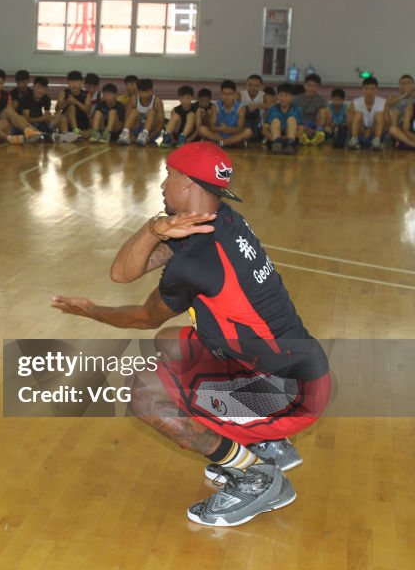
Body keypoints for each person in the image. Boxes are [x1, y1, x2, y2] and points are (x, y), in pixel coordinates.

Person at [51, 141, 331, 527]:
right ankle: (263, 441)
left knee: (147, 396)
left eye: (168, 175)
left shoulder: (196, 262)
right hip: (292, 366)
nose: (163, 185)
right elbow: (127, 271)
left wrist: (92, 312)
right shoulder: (220, 219)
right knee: (170, 342)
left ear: (186, 183)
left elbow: (143, 314)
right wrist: (157, 228)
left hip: (288, 393)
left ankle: (258, 477)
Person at [198, 80, 252, 148]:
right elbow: (212, 126)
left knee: (248, 132)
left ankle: (222, 143)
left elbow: (240, 128)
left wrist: (229, 129)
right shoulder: (216, 106)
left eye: (230, 94)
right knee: (202, 129)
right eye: (224, 94)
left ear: (234, 94)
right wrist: (221, 129)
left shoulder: (241, 107)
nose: (227, 96)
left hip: (233, 134)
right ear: (221, 94)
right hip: (219, 134)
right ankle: (231, 143)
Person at [121, 78, 165, 146]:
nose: (144, 95)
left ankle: (144, 134)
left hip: (151, 131)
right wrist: (131, 135)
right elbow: (127, 117)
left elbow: (161, 123)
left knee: (151, 112)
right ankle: (125, 133)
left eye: (146, 92)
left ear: (151, 91)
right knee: (134, 111)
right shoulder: (133, 99)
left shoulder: (157, 102)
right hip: (137, 128)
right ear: (138, 91)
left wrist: (150, 137)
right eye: (141, 92)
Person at [347, 77, 386, 150]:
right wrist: (363, 131)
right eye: (366, 88)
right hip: (360, 133)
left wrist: (371, 131)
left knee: (379, 114)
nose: (369, 91)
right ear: (362, 89)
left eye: (372, 89)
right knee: (358, 114)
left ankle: (377, 142)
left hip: (376, 133)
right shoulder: (355, 102)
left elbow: (388, 123)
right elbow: (349, 123)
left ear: (376, 90)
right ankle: (354, 140)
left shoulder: (383, 102)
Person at [264, 83, 302, 154]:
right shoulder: (272, 109)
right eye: (281, 95)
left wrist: (288, 138)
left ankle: (290, 143)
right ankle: (276, 143)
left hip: (291, 138)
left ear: (292, 97)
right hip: (274, 138)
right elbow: (265, 130)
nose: (283, 98)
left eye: (286, 96)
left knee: (291, 120)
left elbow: (301, 129)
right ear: (277, 96)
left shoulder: (297, 110)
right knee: (275, 121)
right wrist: (274, 138)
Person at [54, 70, 92, 140]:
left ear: (81, 83)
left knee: (90, 132)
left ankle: (75, 135)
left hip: (82, 122)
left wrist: (76, 102)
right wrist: (66, 102)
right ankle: (75, 131)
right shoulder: (64, 93)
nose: (74, 84)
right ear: (68, 83)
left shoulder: (86, 94)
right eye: (71, 82)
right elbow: (57, 109)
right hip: (67, 122)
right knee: (72, 107)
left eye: (76, 82)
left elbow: (88, 110)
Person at [293, 74, 329, 145]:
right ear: (305, 86)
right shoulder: (296, 99)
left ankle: (318, 133)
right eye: (309, 85)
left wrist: (319, 127)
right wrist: (303, 127)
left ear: (318, 87)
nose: (311, 88)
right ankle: (303, 137)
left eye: (314, 86)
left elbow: (326, 117)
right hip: (300, 125)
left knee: (323, 111)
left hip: (315, 124)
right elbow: (293, 115)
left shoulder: (322, 100)